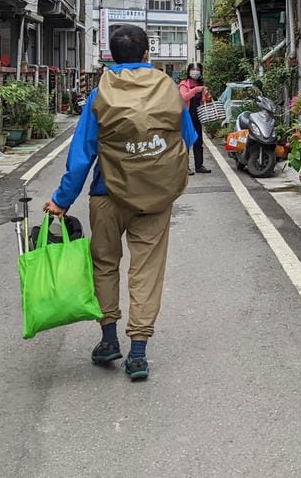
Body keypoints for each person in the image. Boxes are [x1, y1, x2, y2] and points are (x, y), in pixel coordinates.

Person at [44, 24, 197, 381]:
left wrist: (61, 200)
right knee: (146, 270)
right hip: (155, 197)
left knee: (105, 265)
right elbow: (186, 138)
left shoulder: (100, 93)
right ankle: (138, 354)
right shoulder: (169, 89)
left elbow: (82, 154)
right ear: (147, 54)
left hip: (107, 194)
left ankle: (109, 340)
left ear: (112, 56)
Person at [178, 63, 211, 174]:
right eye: (193, 69)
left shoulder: (201, 84)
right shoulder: (184, 84)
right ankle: (185, 167)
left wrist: (207, 95)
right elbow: (183, 97)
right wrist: (196, 90)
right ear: (189, 71)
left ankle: (199, 165)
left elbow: (205, 100)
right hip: (187, 116)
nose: (195, 72)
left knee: (198, 141)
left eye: (197, 70)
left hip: (198, 115)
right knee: (186, 141)